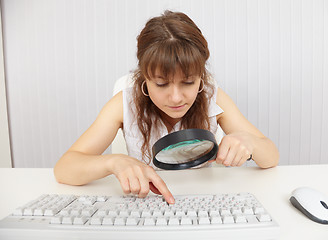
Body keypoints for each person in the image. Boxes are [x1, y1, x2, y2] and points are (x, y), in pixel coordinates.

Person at [54, 10, 279, 205]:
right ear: (145, 79)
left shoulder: (214, 97)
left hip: (202, 201)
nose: (175, 97)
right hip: (145, 203)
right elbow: (64, 168)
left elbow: (271, 157)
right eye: (161, 84)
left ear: (201, 77)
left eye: (189, 82)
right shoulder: (124, 104)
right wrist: (113, 162)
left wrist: (249, 143)